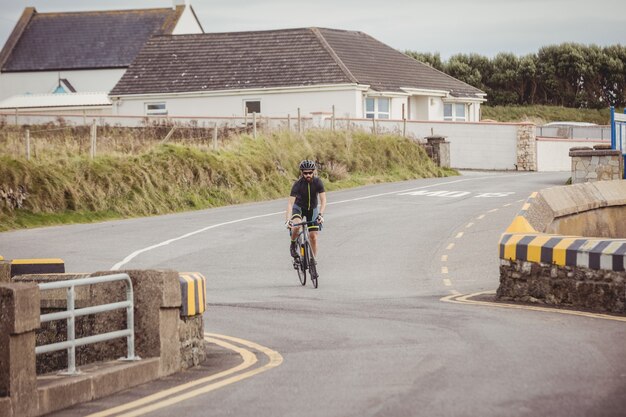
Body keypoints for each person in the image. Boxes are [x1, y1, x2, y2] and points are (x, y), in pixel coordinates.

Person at [285, 160, 326, 259]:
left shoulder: (318, 182)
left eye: (310, 173)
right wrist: (287, 220)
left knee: (313, 237)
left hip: (312, 209)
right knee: (296, 227)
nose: (308, 175)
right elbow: (290, 203)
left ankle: (313, 261)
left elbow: (323, 200)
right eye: (305, 173)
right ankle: (293, 244)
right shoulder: (297, 184)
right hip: (299, 208)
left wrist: (320, 214)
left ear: (313, 172)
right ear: (302, 173)